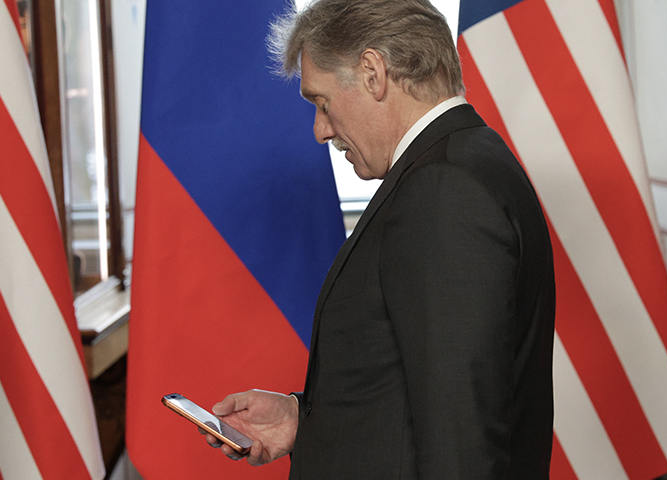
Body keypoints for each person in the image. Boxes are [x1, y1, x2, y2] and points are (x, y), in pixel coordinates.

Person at [205, 0, 556, 477]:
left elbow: (462, 439)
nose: (320, 131)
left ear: (373, 73)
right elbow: (420, 393)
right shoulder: (468, 159)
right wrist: (302, 419)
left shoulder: (444, 189)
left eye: (322, 103)